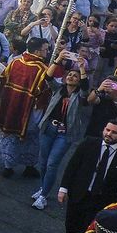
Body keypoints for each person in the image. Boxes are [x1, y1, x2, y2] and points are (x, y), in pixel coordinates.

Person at [33, 61, 88, 210]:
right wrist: (58, 59)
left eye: (75, 76)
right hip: (49, 128)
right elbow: (48, 77)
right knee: (43, 162)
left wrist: (82, 68)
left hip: (65, 134)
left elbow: (85, 86)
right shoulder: (58, 89)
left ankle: (43, 196)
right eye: (69, 74)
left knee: (52, 163)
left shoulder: (81, 95)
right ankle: (43, 188)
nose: (71, 77)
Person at [0, 37, 52, 177]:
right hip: (29, 111)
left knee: (9, 135)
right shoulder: (42, 69)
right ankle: (28, 166)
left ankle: (8, 166)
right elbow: (44, 91)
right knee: (30, 137)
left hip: (10, 106)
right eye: (45, 49)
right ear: (37, 52)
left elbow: (3, 80)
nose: (47, 52)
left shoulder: (15, 62)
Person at [58, 119, 117, 233]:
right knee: (71, 226)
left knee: (88, 230)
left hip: (101, 201)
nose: (109, 134)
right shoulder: (89, 143)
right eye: (107, 130)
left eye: (114, 132)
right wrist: (63, 189)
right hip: (79, 194)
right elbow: (72, 166)